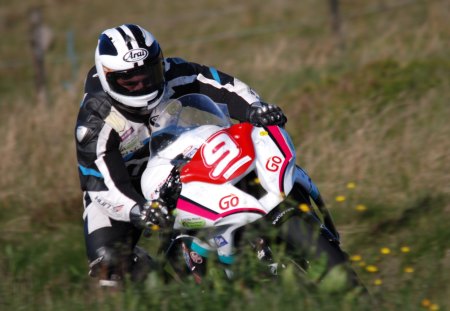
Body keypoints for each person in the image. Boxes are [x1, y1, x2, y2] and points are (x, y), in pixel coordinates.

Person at [74, 23, 287, 287]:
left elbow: (222, 85)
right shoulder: (96, 118)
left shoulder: (175, 73)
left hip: (178, 161)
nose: (142, 84)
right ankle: (164, 289)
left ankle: (256, 235)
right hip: (121, 185)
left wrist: (256, 108)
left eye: (149, 74)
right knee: (108, 264)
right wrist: (136, 209)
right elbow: (99, 182)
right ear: (109, 79)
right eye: (130, 81)